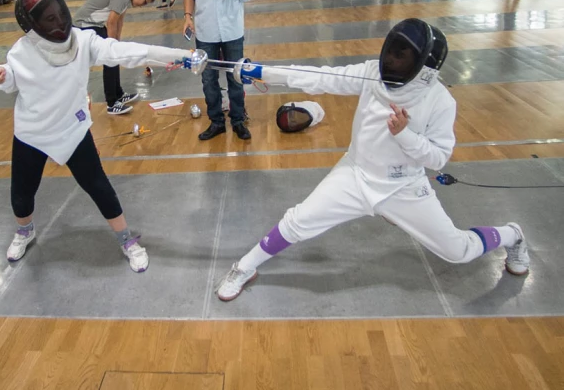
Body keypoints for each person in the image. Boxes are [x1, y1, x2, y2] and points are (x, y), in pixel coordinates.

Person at [214, 18, 530, 302]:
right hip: (356, 173)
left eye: (401, 55)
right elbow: (319, 77)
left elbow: (438, 158)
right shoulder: (371, 74)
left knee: (458, 251)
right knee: (298, 221)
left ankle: (513, 234)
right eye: (391, 51)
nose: (390, 60)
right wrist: (261, 71)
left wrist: (405, 135)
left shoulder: (440, 101)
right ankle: (244, 267)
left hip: (403, 186)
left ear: (423, 68)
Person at [0, 0, 193, 270]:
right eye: (49, 19)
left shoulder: (83, 41)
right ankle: (25, 231)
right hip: (31, 132)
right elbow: (13, 79)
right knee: (21, 191)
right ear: (33, 25)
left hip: (72, 128)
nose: (59, 22)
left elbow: (126, 51)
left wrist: (180, 56)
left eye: (59, 14)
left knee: (98, 186)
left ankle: (126, 239)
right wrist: (3, 77)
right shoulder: (21, 51)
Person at [182, 0, 255, 141]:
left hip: (233, 28)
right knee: (208, 79)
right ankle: (216, 122)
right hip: (206, 31)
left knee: (236, 76)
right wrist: (187, 16)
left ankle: (238, 120)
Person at [73, 0, 157, 115]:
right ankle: (111, 103)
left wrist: (117, 43)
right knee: (110, 58)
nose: (143, 5)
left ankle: (119, 94)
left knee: (114, 55)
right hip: (84, 24)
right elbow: (111, 21)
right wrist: (111, 46)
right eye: (145, 2)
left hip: (95, 24)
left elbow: (119, 21)